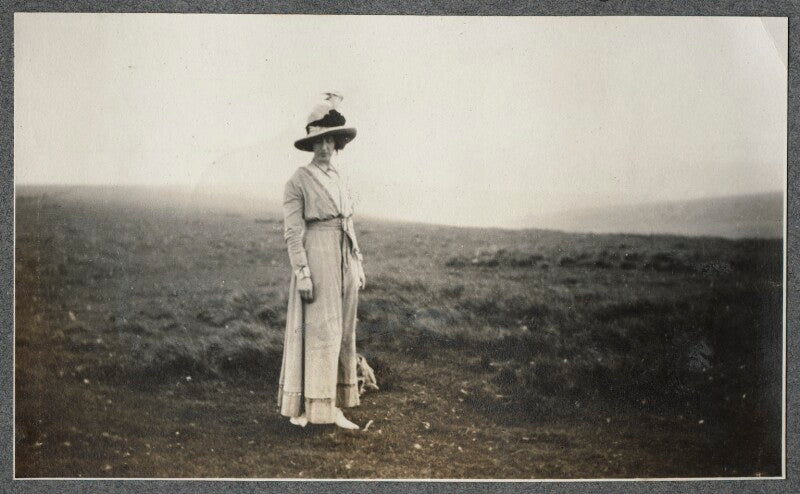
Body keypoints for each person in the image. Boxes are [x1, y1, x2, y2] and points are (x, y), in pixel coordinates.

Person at [276, 92, 366, 429]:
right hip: (318, 254)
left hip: (343, 256)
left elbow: (349, 221)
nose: (324, 147)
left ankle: (337, 404)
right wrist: (302, 272)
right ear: (310, 144)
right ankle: (313, 407)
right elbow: (292, 231)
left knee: (342, 330)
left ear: (337, 142)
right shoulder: (298, 181)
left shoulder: (341, 178)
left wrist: (357, 261)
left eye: (329, 139)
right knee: (321, 329)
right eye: (318, 140)